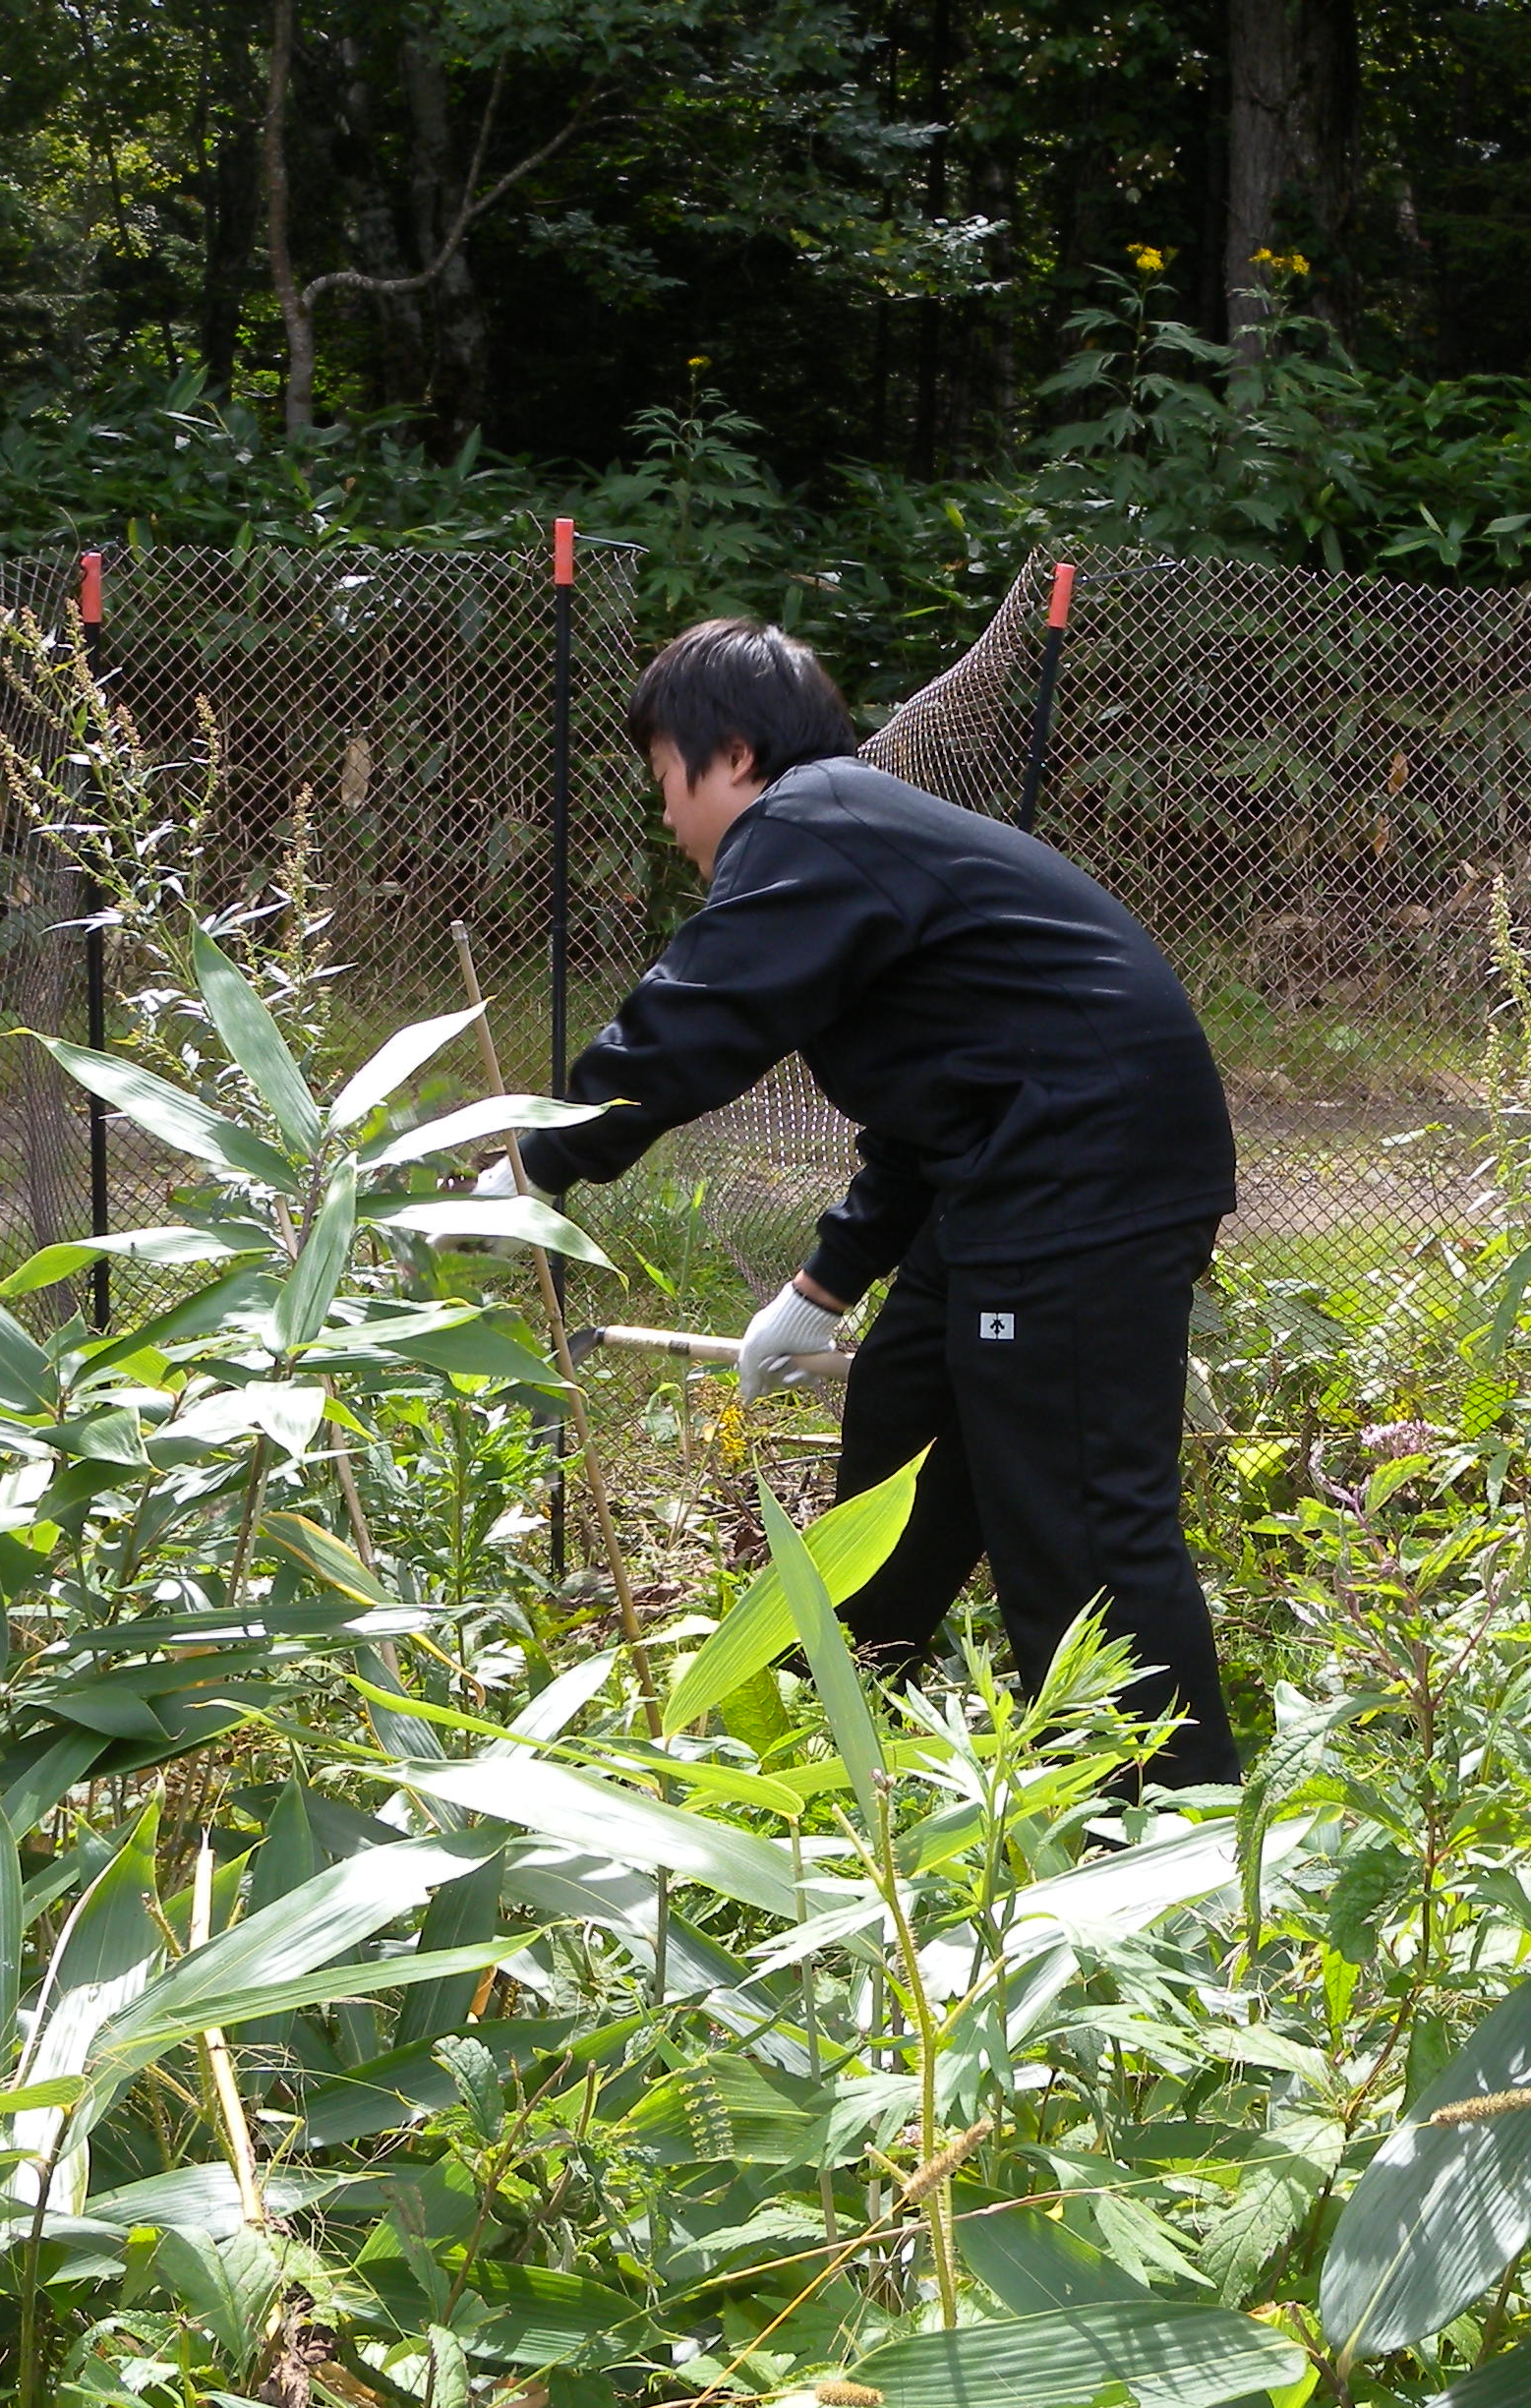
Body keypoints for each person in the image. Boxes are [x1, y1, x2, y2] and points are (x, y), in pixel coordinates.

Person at [502, 616, 1245, 1789]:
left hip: (1086, 1179)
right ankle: (843, 1723)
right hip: (1024, 1167)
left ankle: (1172, 1829)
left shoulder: (806, 826)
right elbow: (935, 1103)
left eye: (665, 782)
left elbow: (693, 1025)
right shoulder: (852, 840)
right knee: (904, 1418)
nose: (667, 820)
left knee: (1081, 1517)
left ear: (732, 755)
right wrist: (821, 1289)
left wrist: (532, 1163)